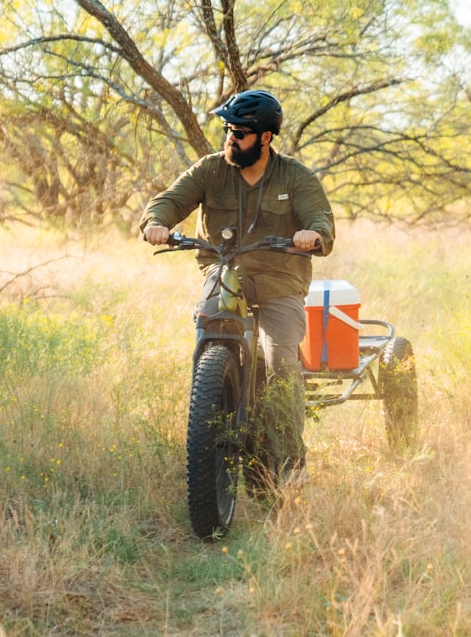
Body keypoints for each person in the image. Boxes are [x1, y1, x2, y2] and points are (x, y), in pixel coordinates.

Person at [140, 89, 335, 491]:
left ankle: (290, 460)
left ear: (265, 138)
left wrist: (311, 235)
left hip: (280, 278)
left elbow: (321, 221)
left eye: (241, 132)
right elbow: (169, 201)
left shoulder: (294, 176)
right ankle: (210, 415)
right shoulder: (211, 170)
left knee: (281, 357)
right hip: (224, 271)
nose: (231, 138)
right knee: (210, 331)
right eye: (228, 129)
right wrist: (156, 223)